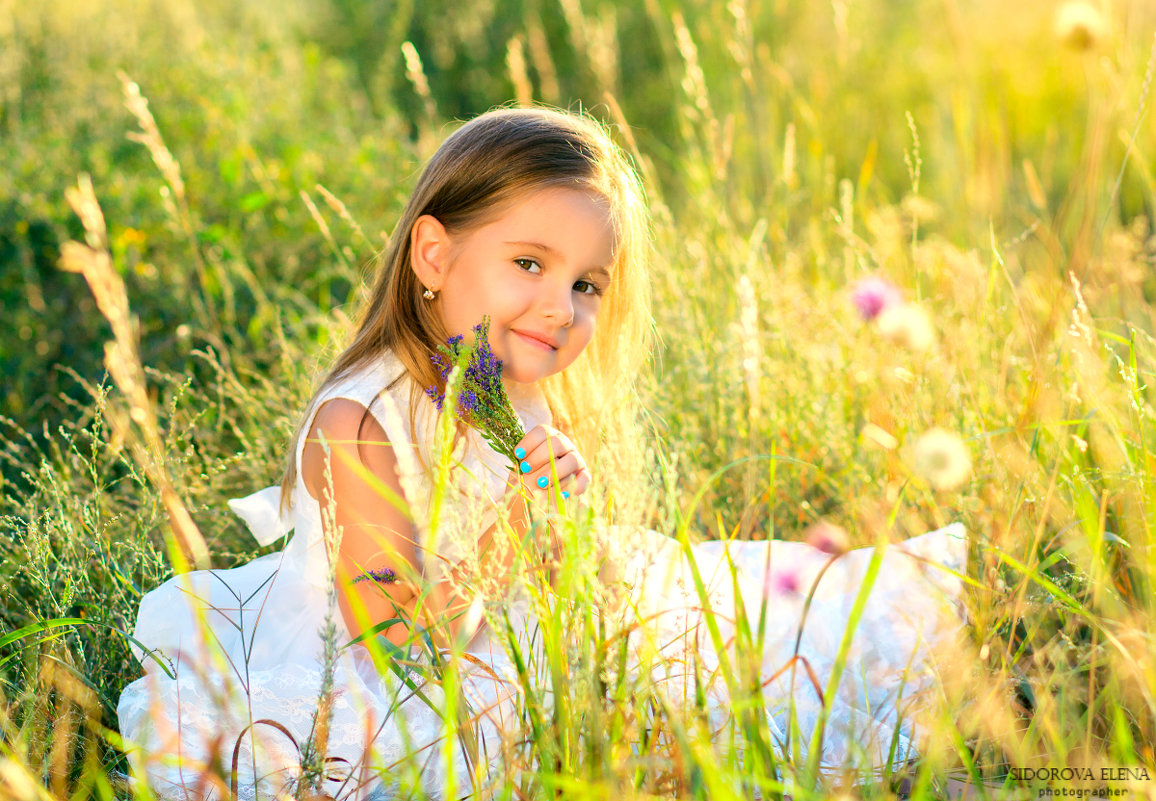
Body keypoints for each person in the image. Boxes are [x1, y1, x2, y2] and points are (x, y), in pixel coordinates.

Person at [117, 107, 970, 800]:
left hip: (504, 626)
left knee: (736, 655)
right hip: (395, 662)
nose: (561, 308)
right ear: (435, 253)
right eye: (530, 263)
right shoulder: (361, 421)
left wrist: (567, 527)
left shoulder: (502, 373)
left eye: (586, 284)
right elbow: (394, 640)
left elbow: (572, 579)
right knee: (459, 752)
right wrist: (517, 528)